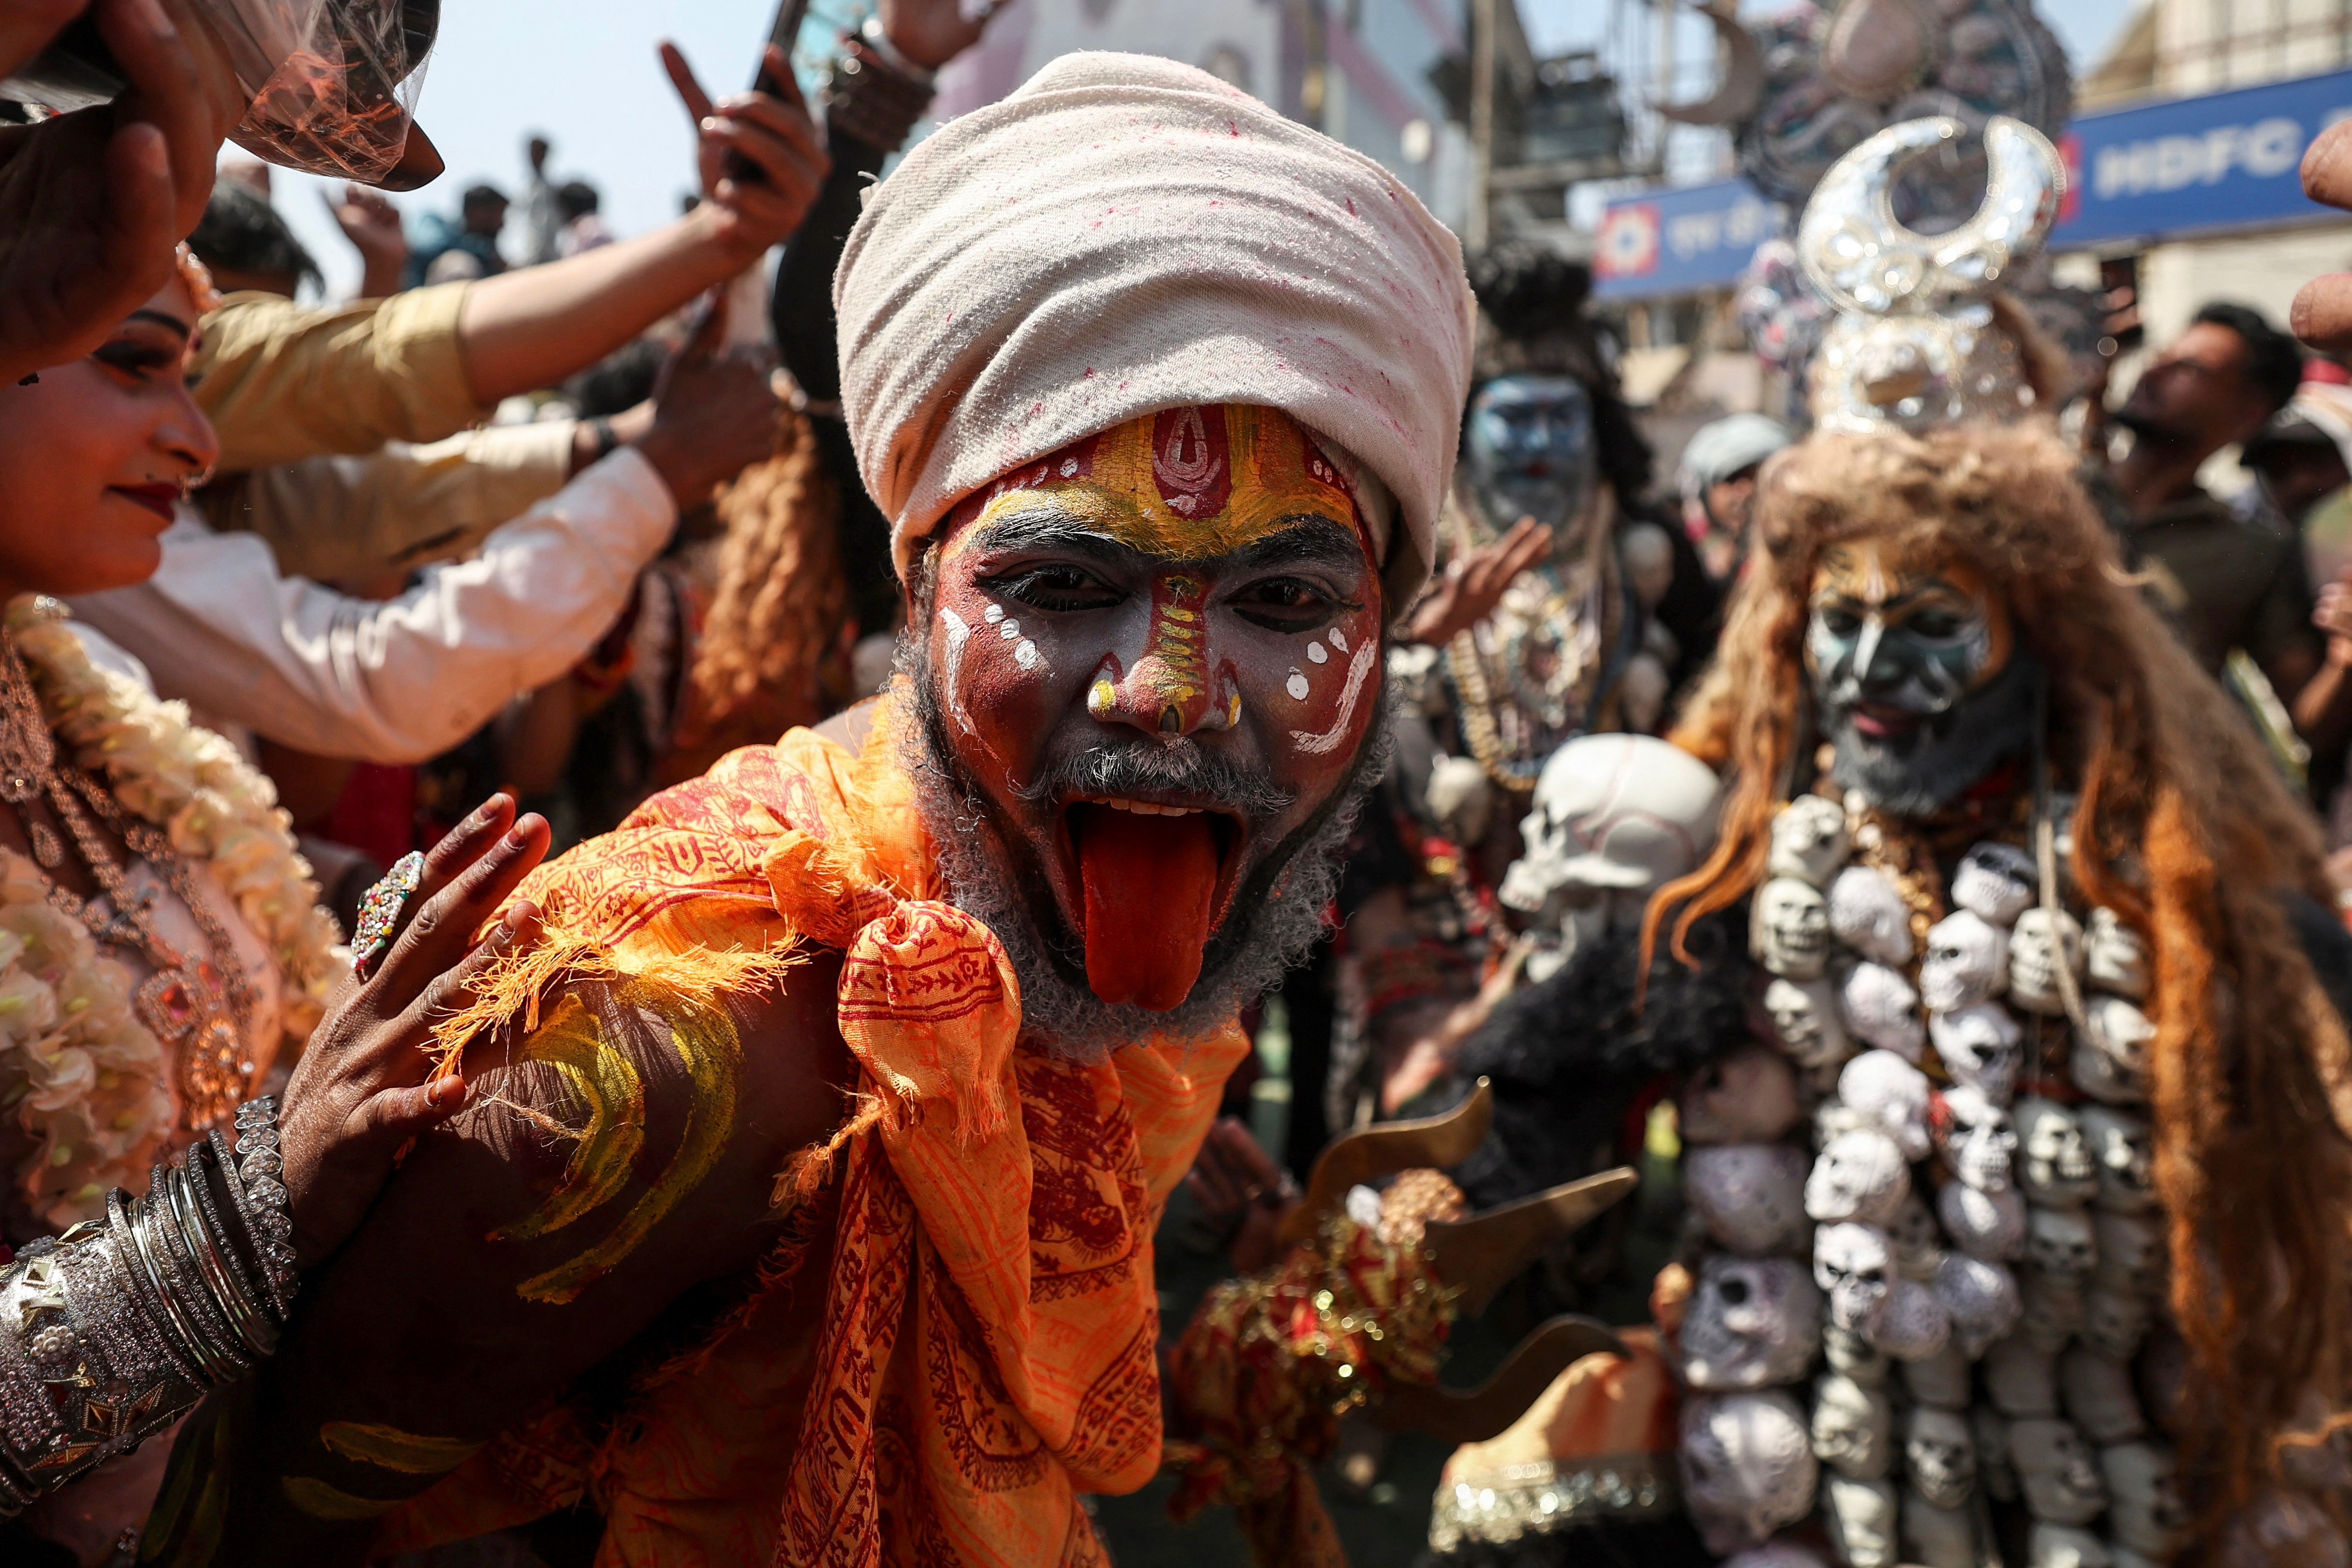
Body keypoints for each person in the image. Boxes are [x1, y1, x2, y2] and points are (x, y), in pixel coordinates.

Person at [141, 51, 1473, 1566]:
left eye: (1284, 597)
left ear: (1389, 622)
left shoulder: (1122, 933)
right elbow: (249, 1520)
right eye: (1062, 584)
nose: (1169, 692)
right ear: (915, 594)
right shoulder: (693, 1044)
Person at [2104, 302, 2317, 698]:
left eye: (2189, 369)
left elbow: (2309, 719)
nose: (2152, 373)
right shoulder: (2049, 489)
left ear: (2247, 416)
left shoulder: (2252, 558)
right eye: (2160, 358)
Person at [1677, 411, 1794, 582]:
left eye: (1754, 477)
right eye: (1731, 480)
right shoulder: (1686, 561)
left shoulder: (1793, 557)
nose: (1745, 492)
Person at [407, 182, 510, 287]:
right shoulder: (437, 228)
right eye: (499, 214)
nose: (502, 224)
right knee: (458, 264)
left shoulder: (484, 250)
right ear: (479, 213)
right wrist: (486, 255)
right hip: (420, 297)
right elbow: (426, 249)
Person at [520, 132, 562, 267]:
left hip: (545, 257)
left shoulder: (550, 190)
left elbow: (546, 224)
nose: (534, 156)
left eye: (539, 152)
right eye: (533, 152)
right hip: (526, 255)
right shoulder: (525, 186)